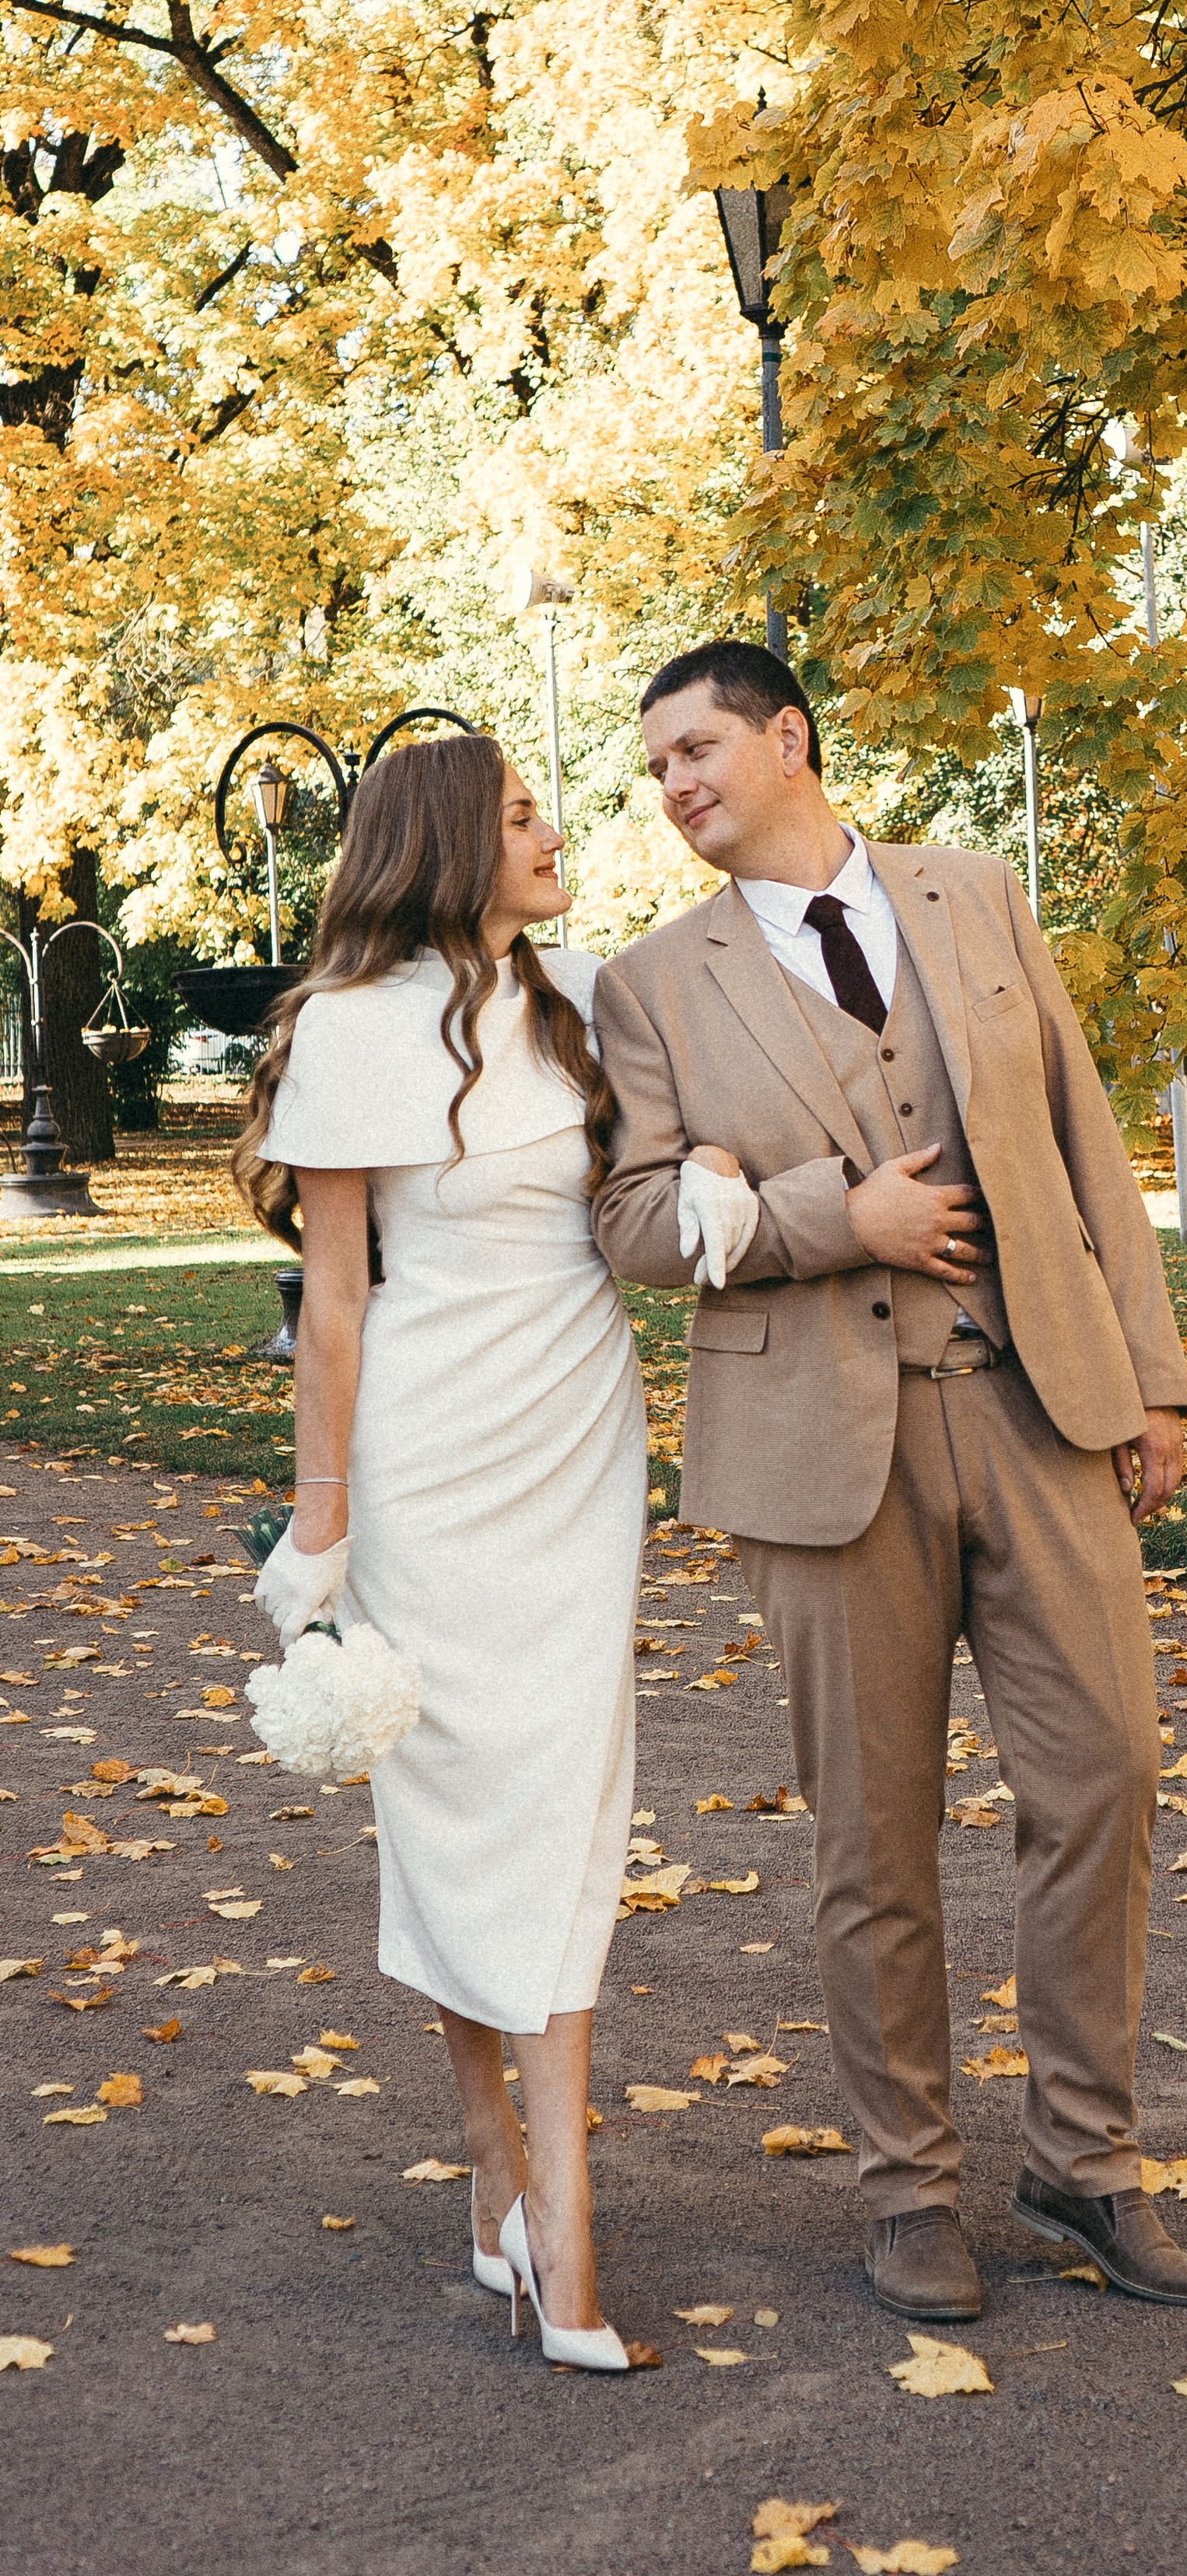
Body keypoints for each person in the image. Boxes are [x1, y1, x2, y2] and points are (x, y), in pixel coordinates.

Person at [590, 639, 1187, 2321]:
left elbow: (1083, 1139)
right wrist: (827, 1218)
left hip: (1035, 1407)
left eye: (695, 749)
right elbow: (636, 1224)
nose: (672, 787)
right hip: (818, 1454)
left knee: (1103, 1779)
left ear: (788, 737)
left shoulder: (973, 896)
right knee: (873, 1842)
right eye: (653, 768)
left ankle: (1084, 2167)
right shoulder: (652, 984)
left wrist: (1152, 1378)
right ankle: (907, 2193)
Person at [233, 733, 647, 2372]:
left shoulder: (589, 995)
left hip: (575, 1443)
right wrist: (318, 1532)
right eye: (521, 816)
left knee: (563, 1800)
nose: (552, 834)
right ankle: (515, 2187)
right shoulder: (345, 1029)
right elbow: (333, 1302)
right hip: (426, 1455)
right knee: (458, 1804)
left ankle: (548, 2212)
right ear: (442, 846)